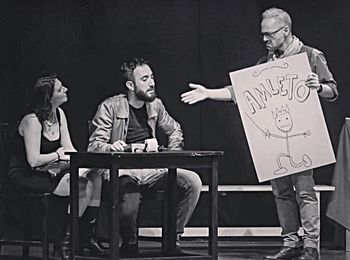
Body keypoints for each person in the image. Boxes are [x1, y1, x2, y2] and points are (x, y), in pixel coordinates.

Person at [181, 7, 338, 260]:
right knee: (282, 192)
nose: (265, 39)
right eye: (262, 35)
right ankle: (290, 243)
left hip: (303, 136)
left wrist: (317, 86)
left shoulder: (310, 56)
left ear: (285, 31)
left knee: (305, 191)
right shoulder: (265, 64)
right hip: (275, 138)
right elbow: (240, 91)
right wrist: (209, 93)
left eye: (269, 34)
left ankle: (311, 246)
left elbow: (332, 90)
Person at [88, 57, 202, 257]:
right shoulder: (110, 106)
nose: (152, 83)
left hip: (152, 170)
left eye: (152, 77)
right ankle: (130, 244)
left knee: (192, 181)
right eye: (145, 79)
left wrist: (172, 156)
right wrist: (111, 147)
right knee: (129, 193)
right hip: (121, 171)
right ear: (130, 85)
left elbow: (175, 130)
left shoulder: (155, 105)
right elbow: (94, 145)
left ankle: (172, 240)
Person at [8, 75, 107, 259]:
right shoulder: (33, 120)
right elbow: (33, 161)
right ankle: (65, 242)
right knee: (84, 185)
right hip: (27, 175)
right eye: (61, 89)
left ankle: (85, 237)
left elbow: (69, 149)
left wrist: (85, 164)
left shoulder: (59, 114)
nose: (66, 90)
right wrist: (58, 155)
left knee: (95, 177)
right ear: (49, 97)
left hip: (53, 170)